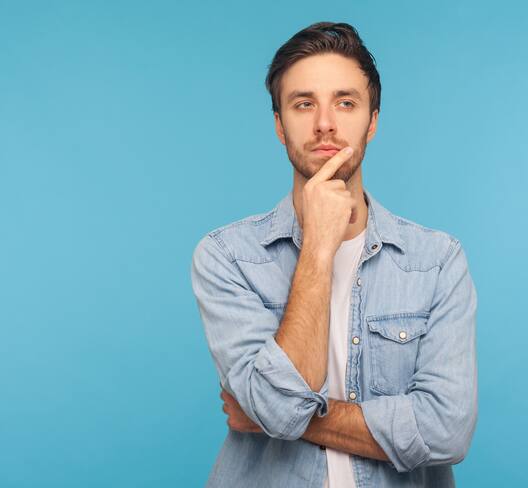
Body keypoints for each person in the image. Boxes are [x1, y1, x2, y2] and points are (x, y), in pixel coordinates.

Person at [191, 21, 478, 488]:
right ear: (280, 127)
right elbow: (278, 407)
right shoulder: (227, 257)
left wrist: (273, 413)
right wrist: (320, 247)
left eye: (346, 102)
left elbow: (446, 432)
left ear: (373, 120)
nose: (325, 122)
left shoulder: (436, 261)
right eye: (304, 104)